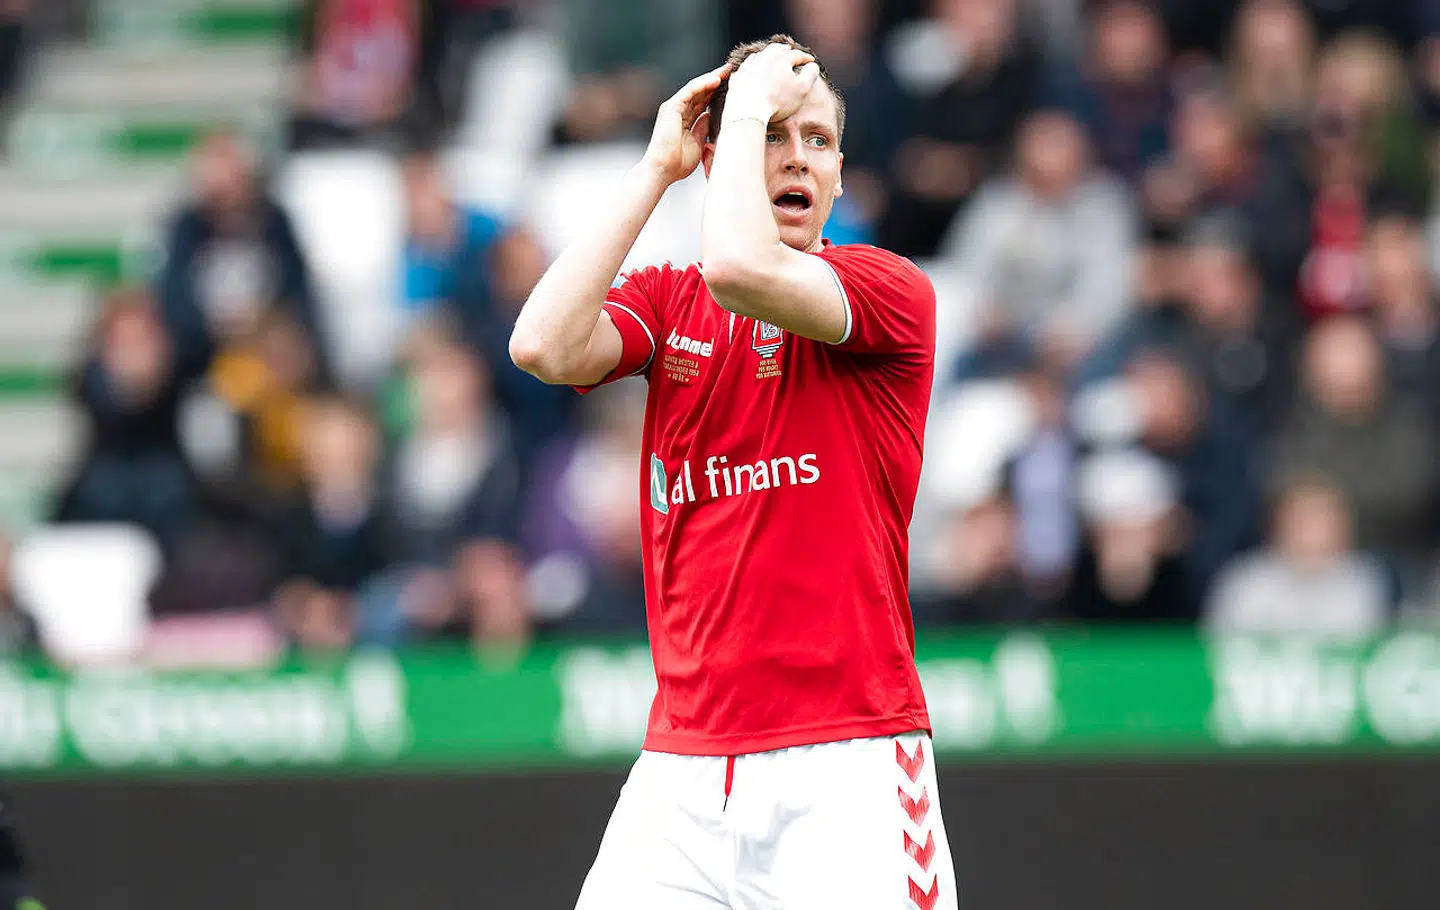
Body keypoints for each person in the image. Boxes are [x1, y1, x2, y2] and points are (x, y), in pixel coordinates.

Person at [510, 34, 956, 910]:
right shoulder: (671, 302)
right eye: (773, 136)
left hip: (850, 766)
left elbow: (742, 269)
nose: (797, 158)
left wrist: (748, 104)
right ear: (718, 161)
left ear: (838, 176)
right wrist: (656, 165)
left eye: (818, 140)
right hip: (681, 775)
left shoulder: (889, 293)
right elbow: (542, 344)